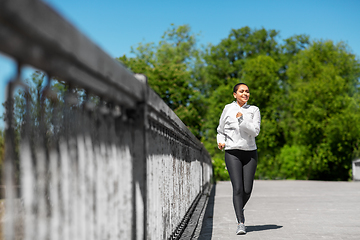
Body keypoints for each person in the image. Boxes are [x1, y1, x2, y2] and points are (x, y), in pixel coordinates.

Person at [217, 83, 261, 235]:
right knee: (237, 188)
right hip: (232, 152)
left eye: (247, 91)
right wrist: (220, 141)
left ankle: (238, 207)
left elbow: (255, 131)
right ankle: (240, 222)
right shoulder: (228, 109)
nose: (245, 94)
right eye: (242, 91)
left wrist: (242, 120)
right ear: (234, 94)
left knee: (247, 189)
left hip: (249, 152)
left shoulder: (254, 110)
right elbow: (220, 130)